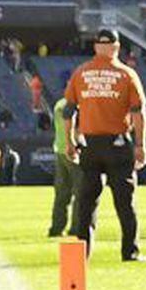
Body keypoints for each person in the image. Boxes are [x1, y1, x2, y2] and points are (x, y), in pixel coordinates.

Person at [65, 28, 146, 262]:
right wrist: (141, 145)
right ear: (117, 47)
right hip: (118, 143)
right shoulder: (126, 74)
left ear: (95, 47)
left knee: (87, 202)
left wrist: (71, 140)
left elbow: (68, 110)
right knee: (125, 201)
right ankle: (129, 251)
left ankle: (82, 255)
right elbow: (138, 112)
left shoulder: (80, 73)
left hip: (90, 144)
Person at [48, 92, 80, 237]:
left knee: (61, 194)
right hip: (74, 151)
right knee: (81, 192)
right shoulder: (77, 105)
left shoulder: (59, 104)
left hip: (60, 150)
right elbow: (78, 127)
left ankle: (56, 227)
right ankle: (77, 227)